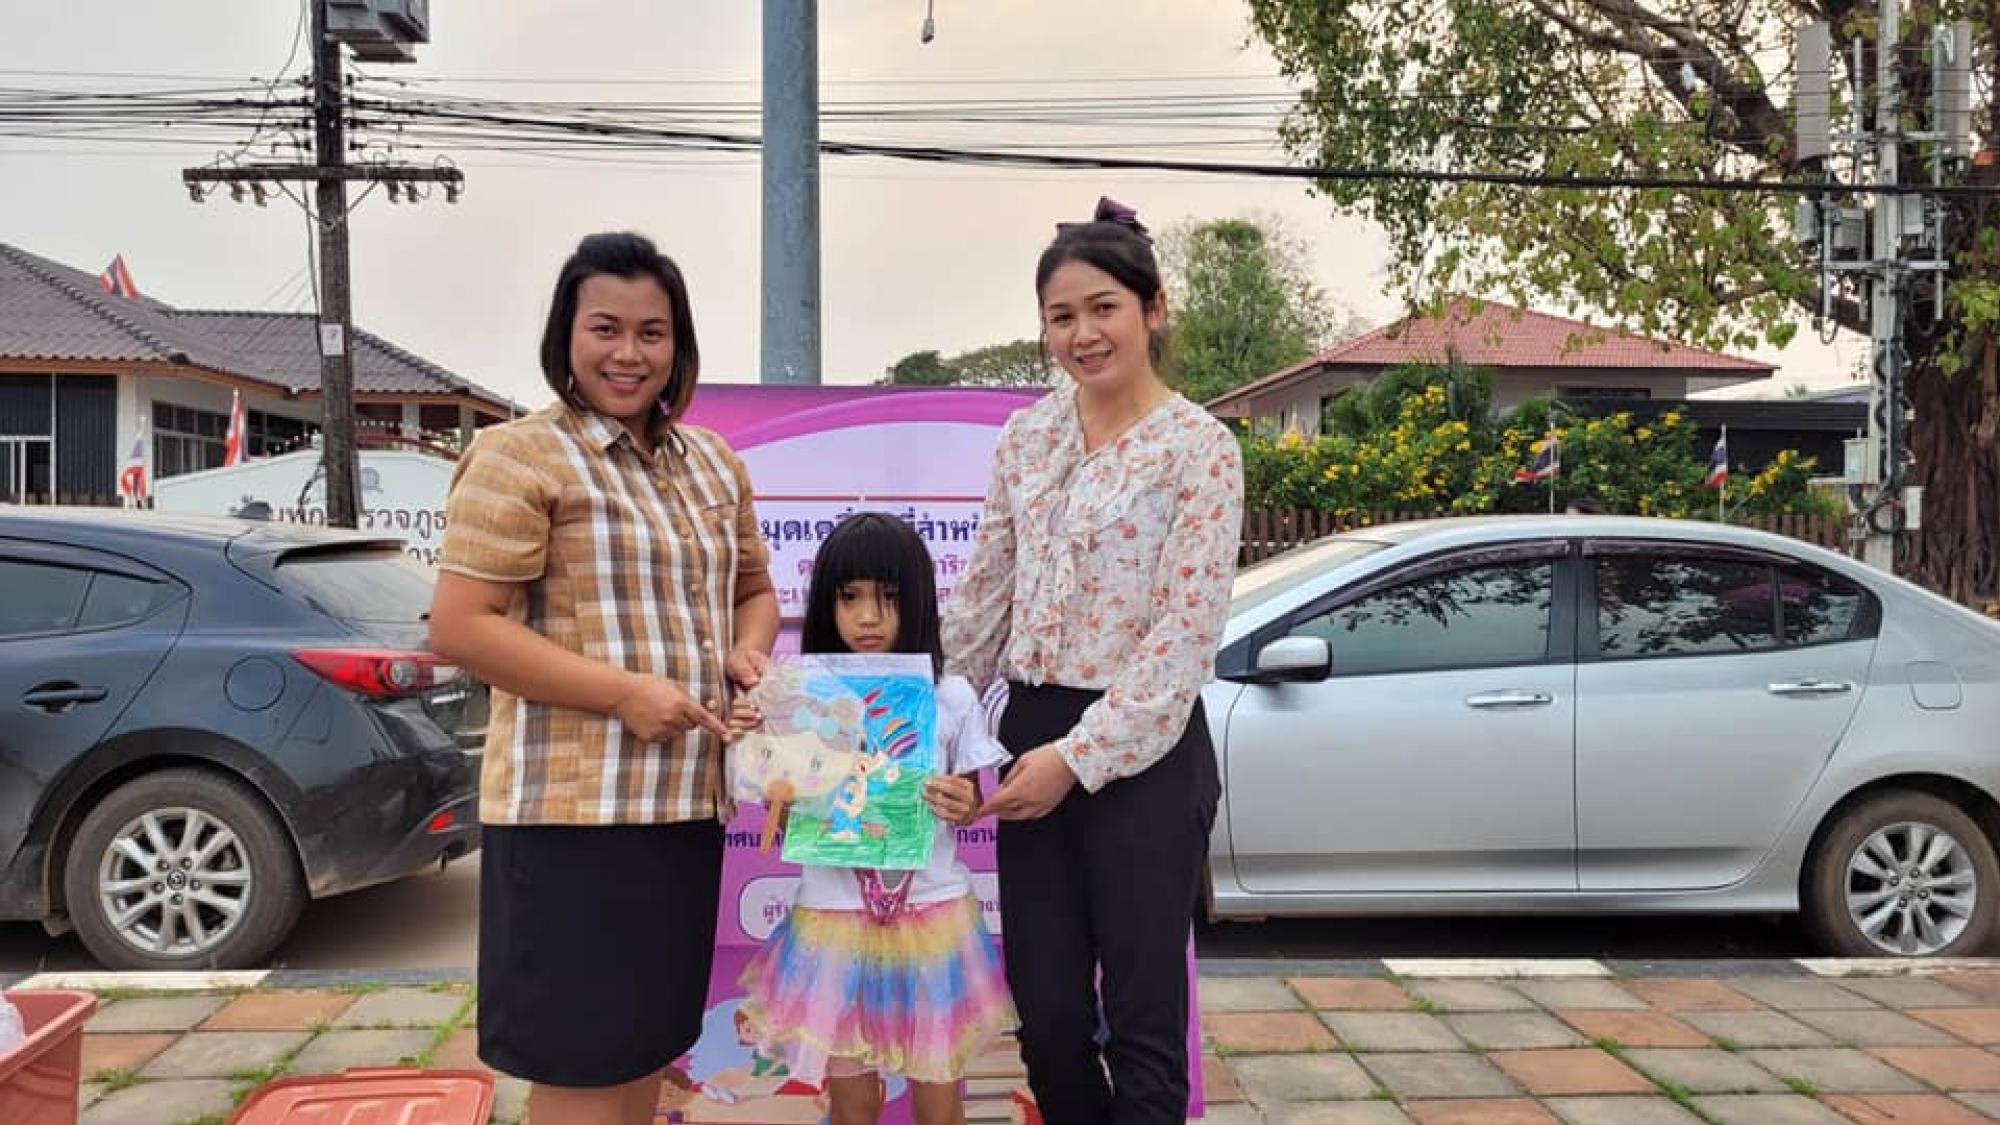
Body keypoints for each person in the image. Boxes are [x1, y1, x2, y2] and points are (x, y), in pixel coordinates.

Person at [427, 231, 779, 1125]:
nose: (629, 354)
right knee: (579, 1063)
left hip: (685, 807)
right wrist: (622, 693)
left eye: (652, 332)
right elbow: (461, 626)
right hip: (570, 816)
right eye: (606, 329)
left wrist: (746, 651)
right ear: (568, 336)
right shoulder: (521, 456)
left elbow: (754, 590)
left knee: (648, 1046)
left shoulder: (711, 462)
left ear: (678, 343)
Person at [943, 197, 1244, 1125]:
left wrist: (1076, 760)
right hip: (1031, 733)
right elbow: (984, 595)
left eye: (1104, 307)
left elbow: (1182, 639)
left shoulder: (1201, 449)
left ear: (1153, 310)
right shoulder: (1026, 437)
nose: (1083, 334)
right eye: (1061, 315)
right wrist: (935, 725)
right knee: (1048, 1012)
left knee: (1145, 1018)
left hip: (1144, 749)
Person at [734, 512, 1015, 1125]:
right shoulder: (798, 699)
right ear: (825, 603)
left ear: (918, 602)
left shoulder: (950, 695)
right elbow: (778, 811)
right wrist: (766, 754)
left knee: (938, 1094)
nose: (869, 616)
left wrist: (962, 801)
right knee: (852, 1098)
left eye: (889, 597)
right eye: (850, 597)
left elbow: (970, 799)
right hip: (833, 923)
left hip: (933, 916)